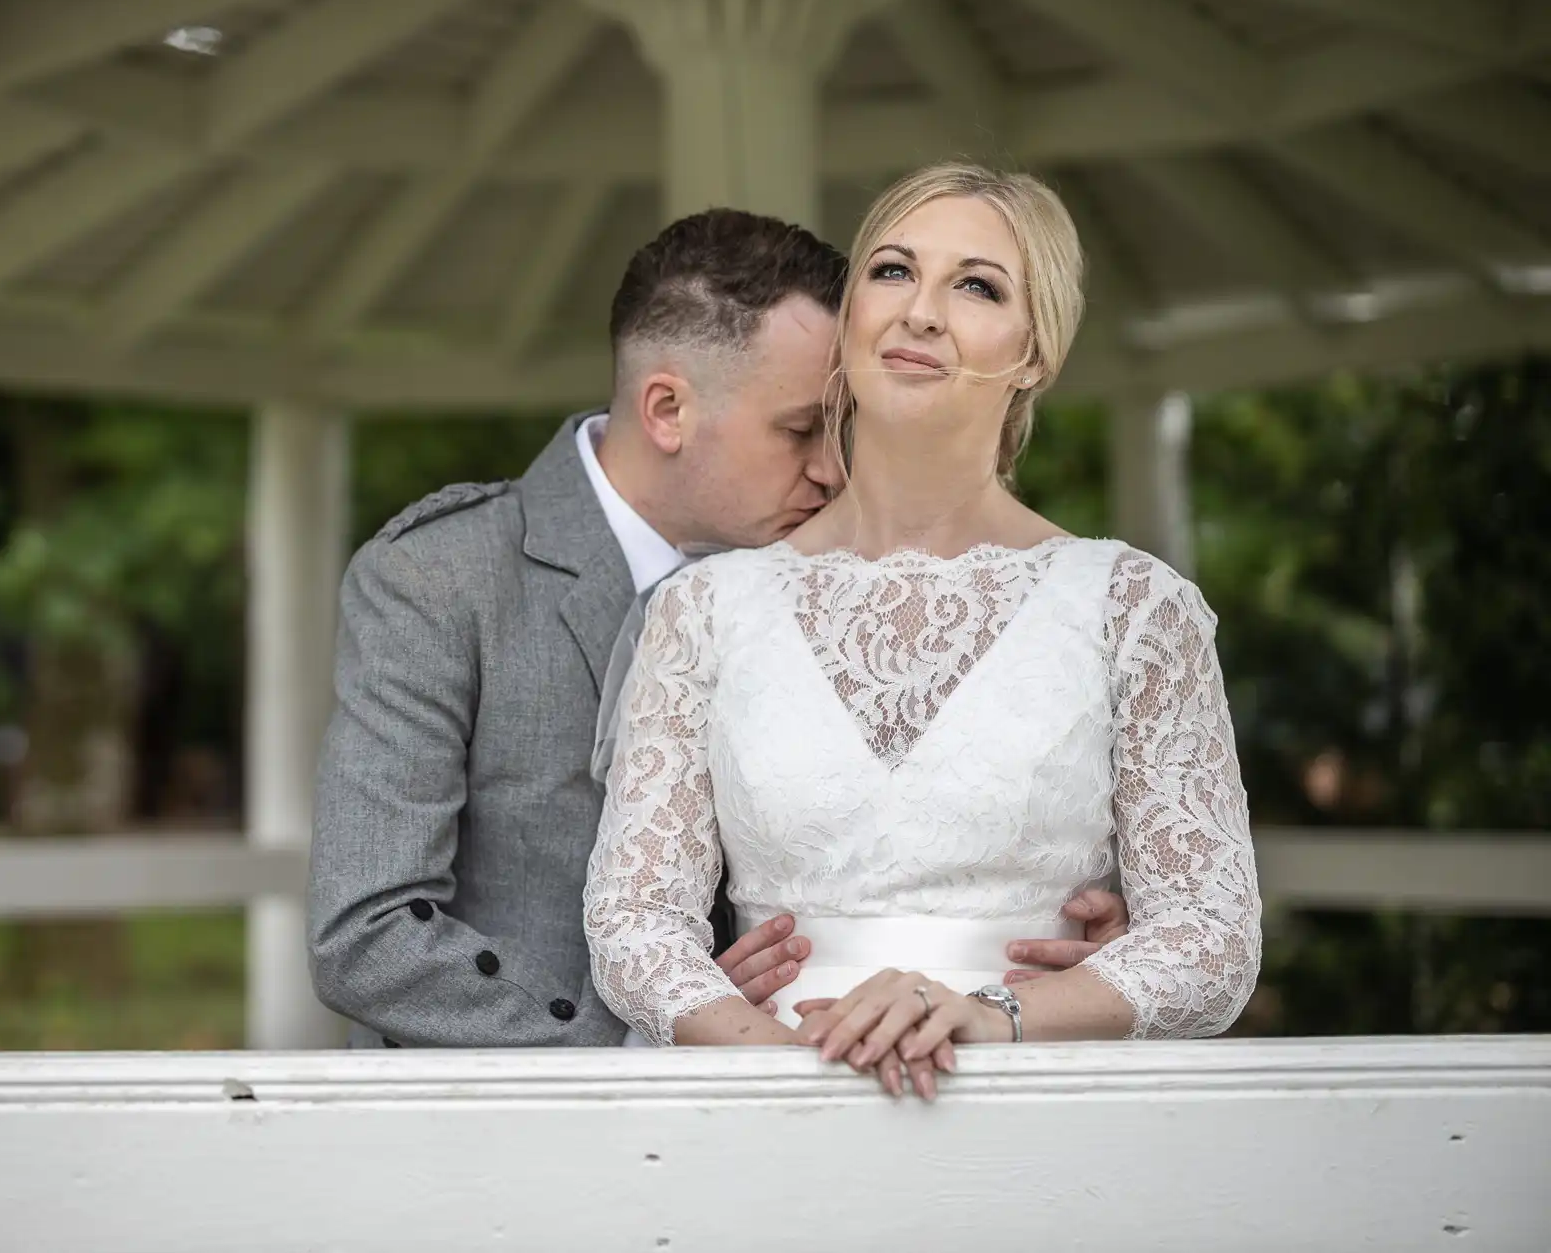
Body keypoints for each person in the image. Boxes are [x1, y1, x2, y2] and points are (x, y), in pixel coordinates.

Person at [310, 208, 1129, 1050]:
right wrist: (665, 1027)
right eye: (799, 428)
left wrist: (1081, 938)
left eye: (840, 427)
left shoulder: (843, 588)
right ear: (667, 408)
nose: (830, 467)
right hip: (517, 1136)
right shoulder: (442, 575)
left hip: (811, 1093)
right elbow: (367, 935)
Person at [583, 163, 1262, 1094]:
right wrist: (784, 1064)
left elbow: (1213, 938)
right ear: (852, 313)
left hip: (1037, 1104)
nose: (921, 312)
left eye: (977, 286)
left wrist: (991, 1016)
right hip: (771, 1108)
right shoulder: (705, 611)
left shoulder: (1134, 608)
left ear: (1035, 353)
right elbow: (634, 922)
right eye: (893, 271)